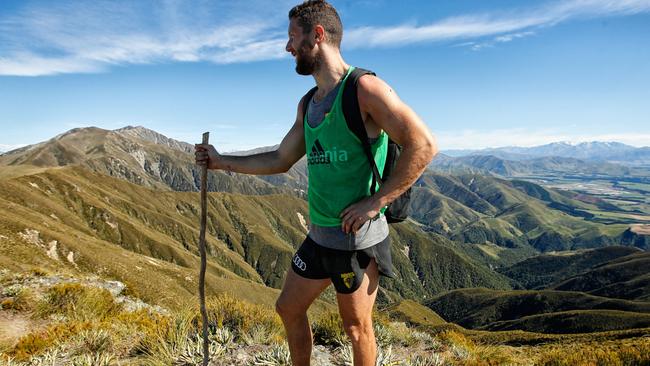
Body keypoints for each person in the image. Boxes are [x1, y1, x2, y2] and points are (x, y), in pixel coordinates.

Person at [195, 1, 437, 364]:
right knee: (288, 308)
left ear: (318, 35)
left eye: (293, 36)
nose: (287, 47)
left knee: (357, 329)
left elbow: (424, 144)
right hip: (320, 235)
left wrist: (377, 202)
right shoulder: (309, 102)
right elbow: (280, 159)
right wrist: (219, 162)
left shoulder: (364, 89)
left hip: (357, 241)